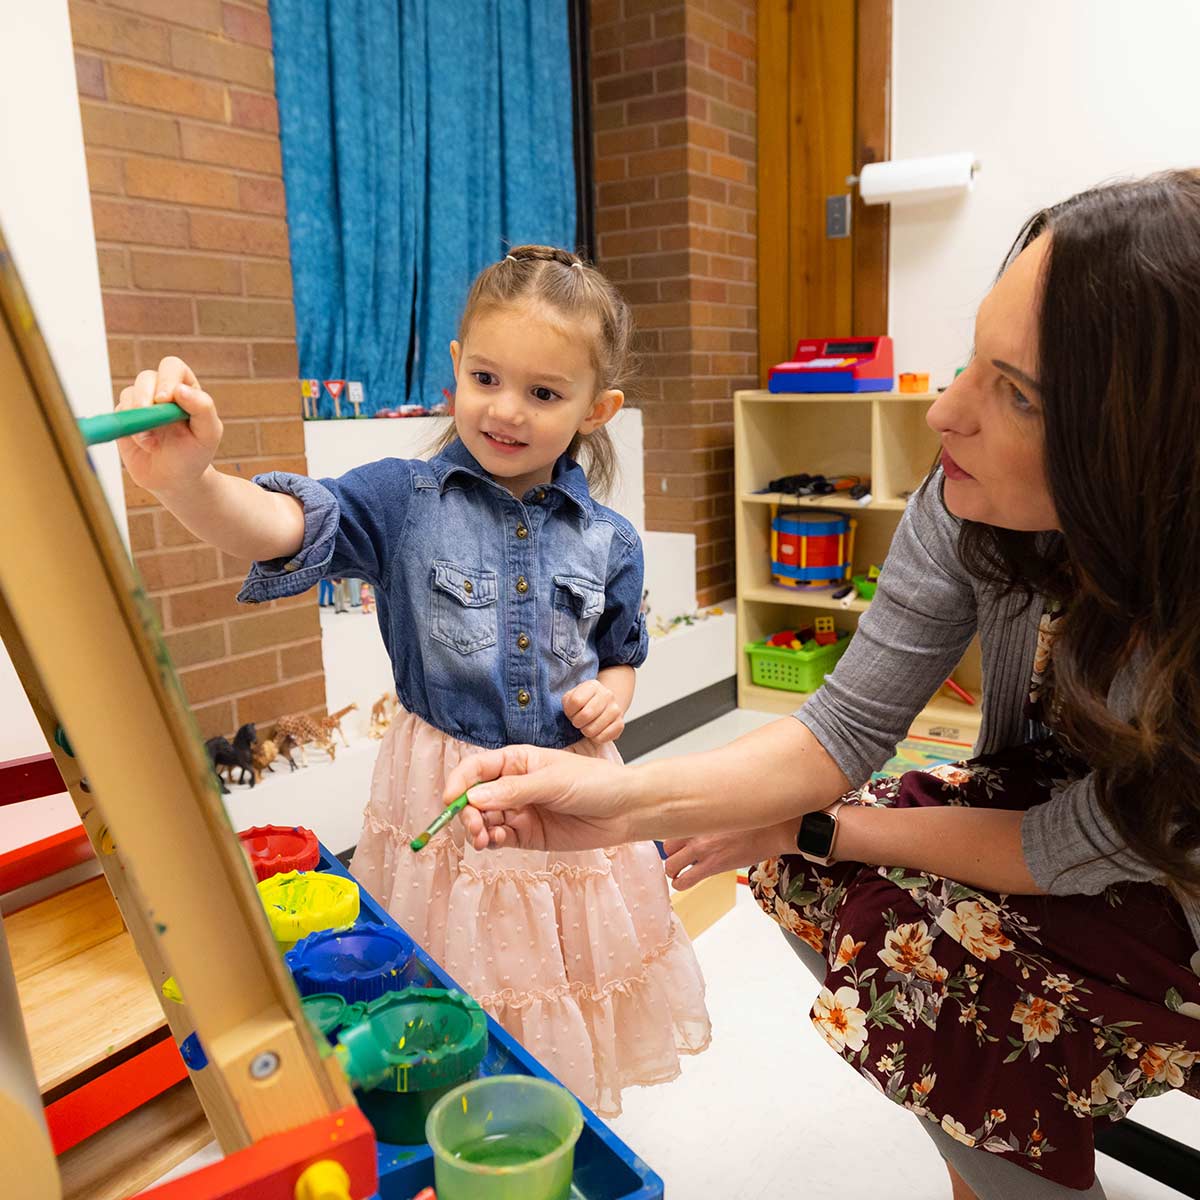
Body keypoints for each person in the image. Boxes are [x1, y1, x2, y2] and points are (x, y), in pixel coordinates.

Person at [442, 175, 1200, 1198]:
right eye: (972, 359)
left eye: (1016, 393)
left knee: (892, 923)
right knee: (804, 858)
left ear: (1147, 448)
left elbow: (1057, 850)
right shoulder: (963, 498)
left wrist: (816, 826)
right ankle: (985, 1153)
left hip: (1164, 879)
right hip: (1053, 813)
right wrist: (612, 804)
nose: (945, 412)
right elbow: (840, 726)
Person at [113, 244, 711, 1117]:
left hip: (573, 787)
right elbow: (281, 526)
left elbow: (621, 648)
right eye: (486, 377)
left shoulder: (610, 539)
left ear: (597, 409)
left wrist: (612, 696)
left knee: (563, 970)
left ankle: (550, 1122)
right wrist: (188, 481)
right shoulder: (402, 498)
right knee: (463, 969)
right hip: (446, 787)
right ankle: (465, 1111)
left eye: (544, 393)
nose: (506, 411)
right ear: (454, 372)